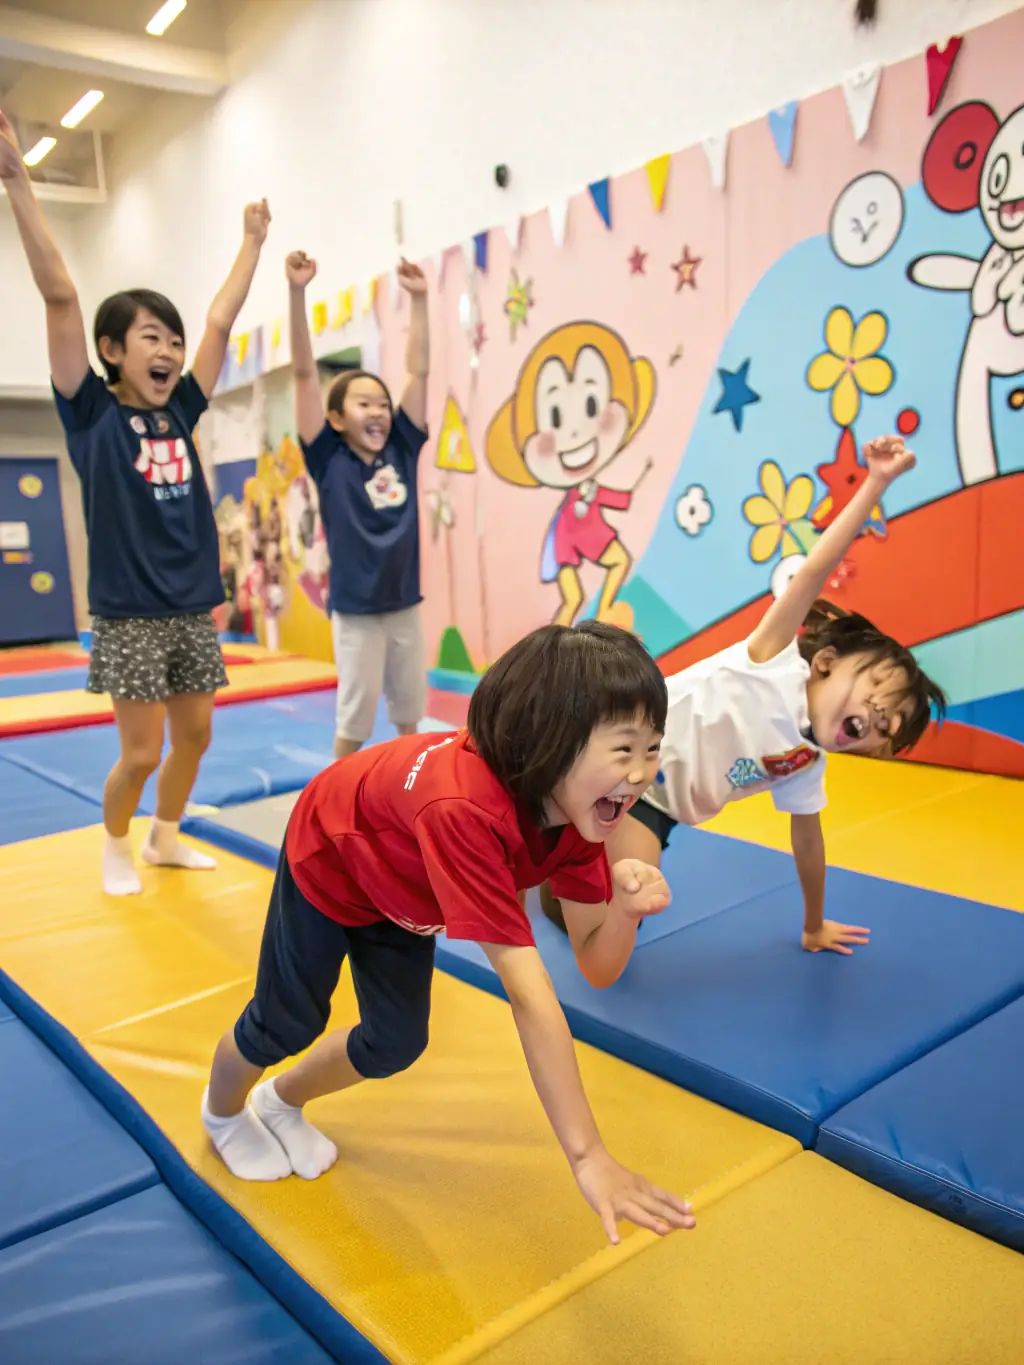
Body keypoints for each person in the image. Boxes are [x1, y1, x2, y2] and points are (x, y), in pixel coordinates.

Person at [201, 621, 696, 1247]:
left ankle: (278, 1101)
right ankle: (221, 1115)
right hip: (333, 850)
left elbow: (595, 966)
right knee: (286, 1021)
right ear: (551, 745)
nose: (642, 773)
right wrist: (587, 1155)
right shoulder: (465, 810)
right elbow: (529, 996)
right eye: (623, 750)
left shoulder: (582, 816)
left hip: (402, 886)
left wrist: (623, 914)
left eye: (652, 748)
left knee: (396, 1040)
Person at [0, 109, 271, 896]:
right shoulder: (91, 413)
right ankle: (115, 842)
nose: (170, 351)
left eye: (173, 340)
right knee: (143, 751)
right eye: (150, 337)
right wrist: (20, 183)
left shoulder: (181, 409)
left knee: (195, 737)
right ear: (113, 350)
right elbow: (59, 297)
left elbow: (221, 320)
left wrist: (250, 241)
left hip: (190, 602)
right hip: (127, 610)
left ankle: (165, 834)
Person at [541, 435, 947, 955]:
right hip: (609, 755)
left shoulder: (805, 762)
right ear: (824, 664)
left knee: (629, 906)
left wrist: (814, 923)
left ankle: (555, 874)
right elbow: (817, 569)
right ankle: (549, 846)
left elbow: (808, 842)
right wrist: (877, 482)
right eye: (874, 692)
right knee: (568, 861)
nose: (879, 717)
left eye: (889, 724)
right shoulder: (772, 661)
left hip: (653, 807)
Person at [287, 249, 430, 759]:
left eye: (382, 404)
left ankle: (409, 785)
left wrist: (419, 300)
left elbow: (420, 370)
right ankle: (337, 794)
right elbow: (305, 375)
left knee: (410, 711)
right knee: (356, 714)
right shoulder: (328, 459)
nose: (378, 412)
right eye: (363, 403)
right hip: (357, 613)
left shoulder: (403, 448)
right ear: (336, 418)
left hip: (405, 604)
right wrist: (297, 293)